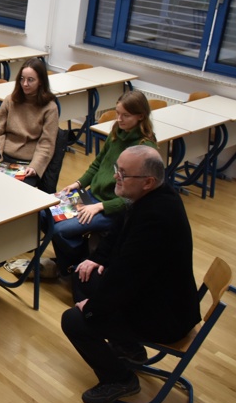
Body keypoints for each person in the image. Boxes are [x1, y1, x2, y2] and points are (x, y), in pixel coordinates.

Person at [61, 146, 200, 403]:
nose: (116, 177)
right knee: (84, 274)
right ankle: (128, 348)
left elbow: (126, 277)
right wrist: (98, 259)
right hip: (155, 295)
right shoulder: (149, 197)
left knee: (74, 321)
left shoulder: (155, 217)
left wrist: (91, 309)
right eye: (118, 170)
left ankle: (120, 379)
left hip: (166, 317)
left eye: (123, 174)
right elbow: (118, 235)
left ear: (147, 181)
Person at [50, 90, 157, 274]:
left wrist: (100, 207)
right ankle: (74, 261)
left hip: (110, 208)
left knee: (60, 230)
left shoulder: (144, 149)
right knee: (46, 213)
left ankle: (75, 265)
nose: (119, 119)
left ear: (140, 116)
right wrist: (78, 184)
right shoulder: (117, 132)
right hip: (91, 196)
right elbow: (98, 163)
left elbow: (133, 198)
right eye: (117, 113)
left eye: (125, 115)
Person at [0, 58, 59, 187]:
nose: (25, 84)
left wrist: (35, 166)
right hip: (3, 157)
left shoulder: (50, 108)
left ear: (41, 81)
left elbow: (46, 143)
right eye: (22, 79)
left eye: (30, 80)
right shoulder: (10, 101)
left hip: (28, 162)